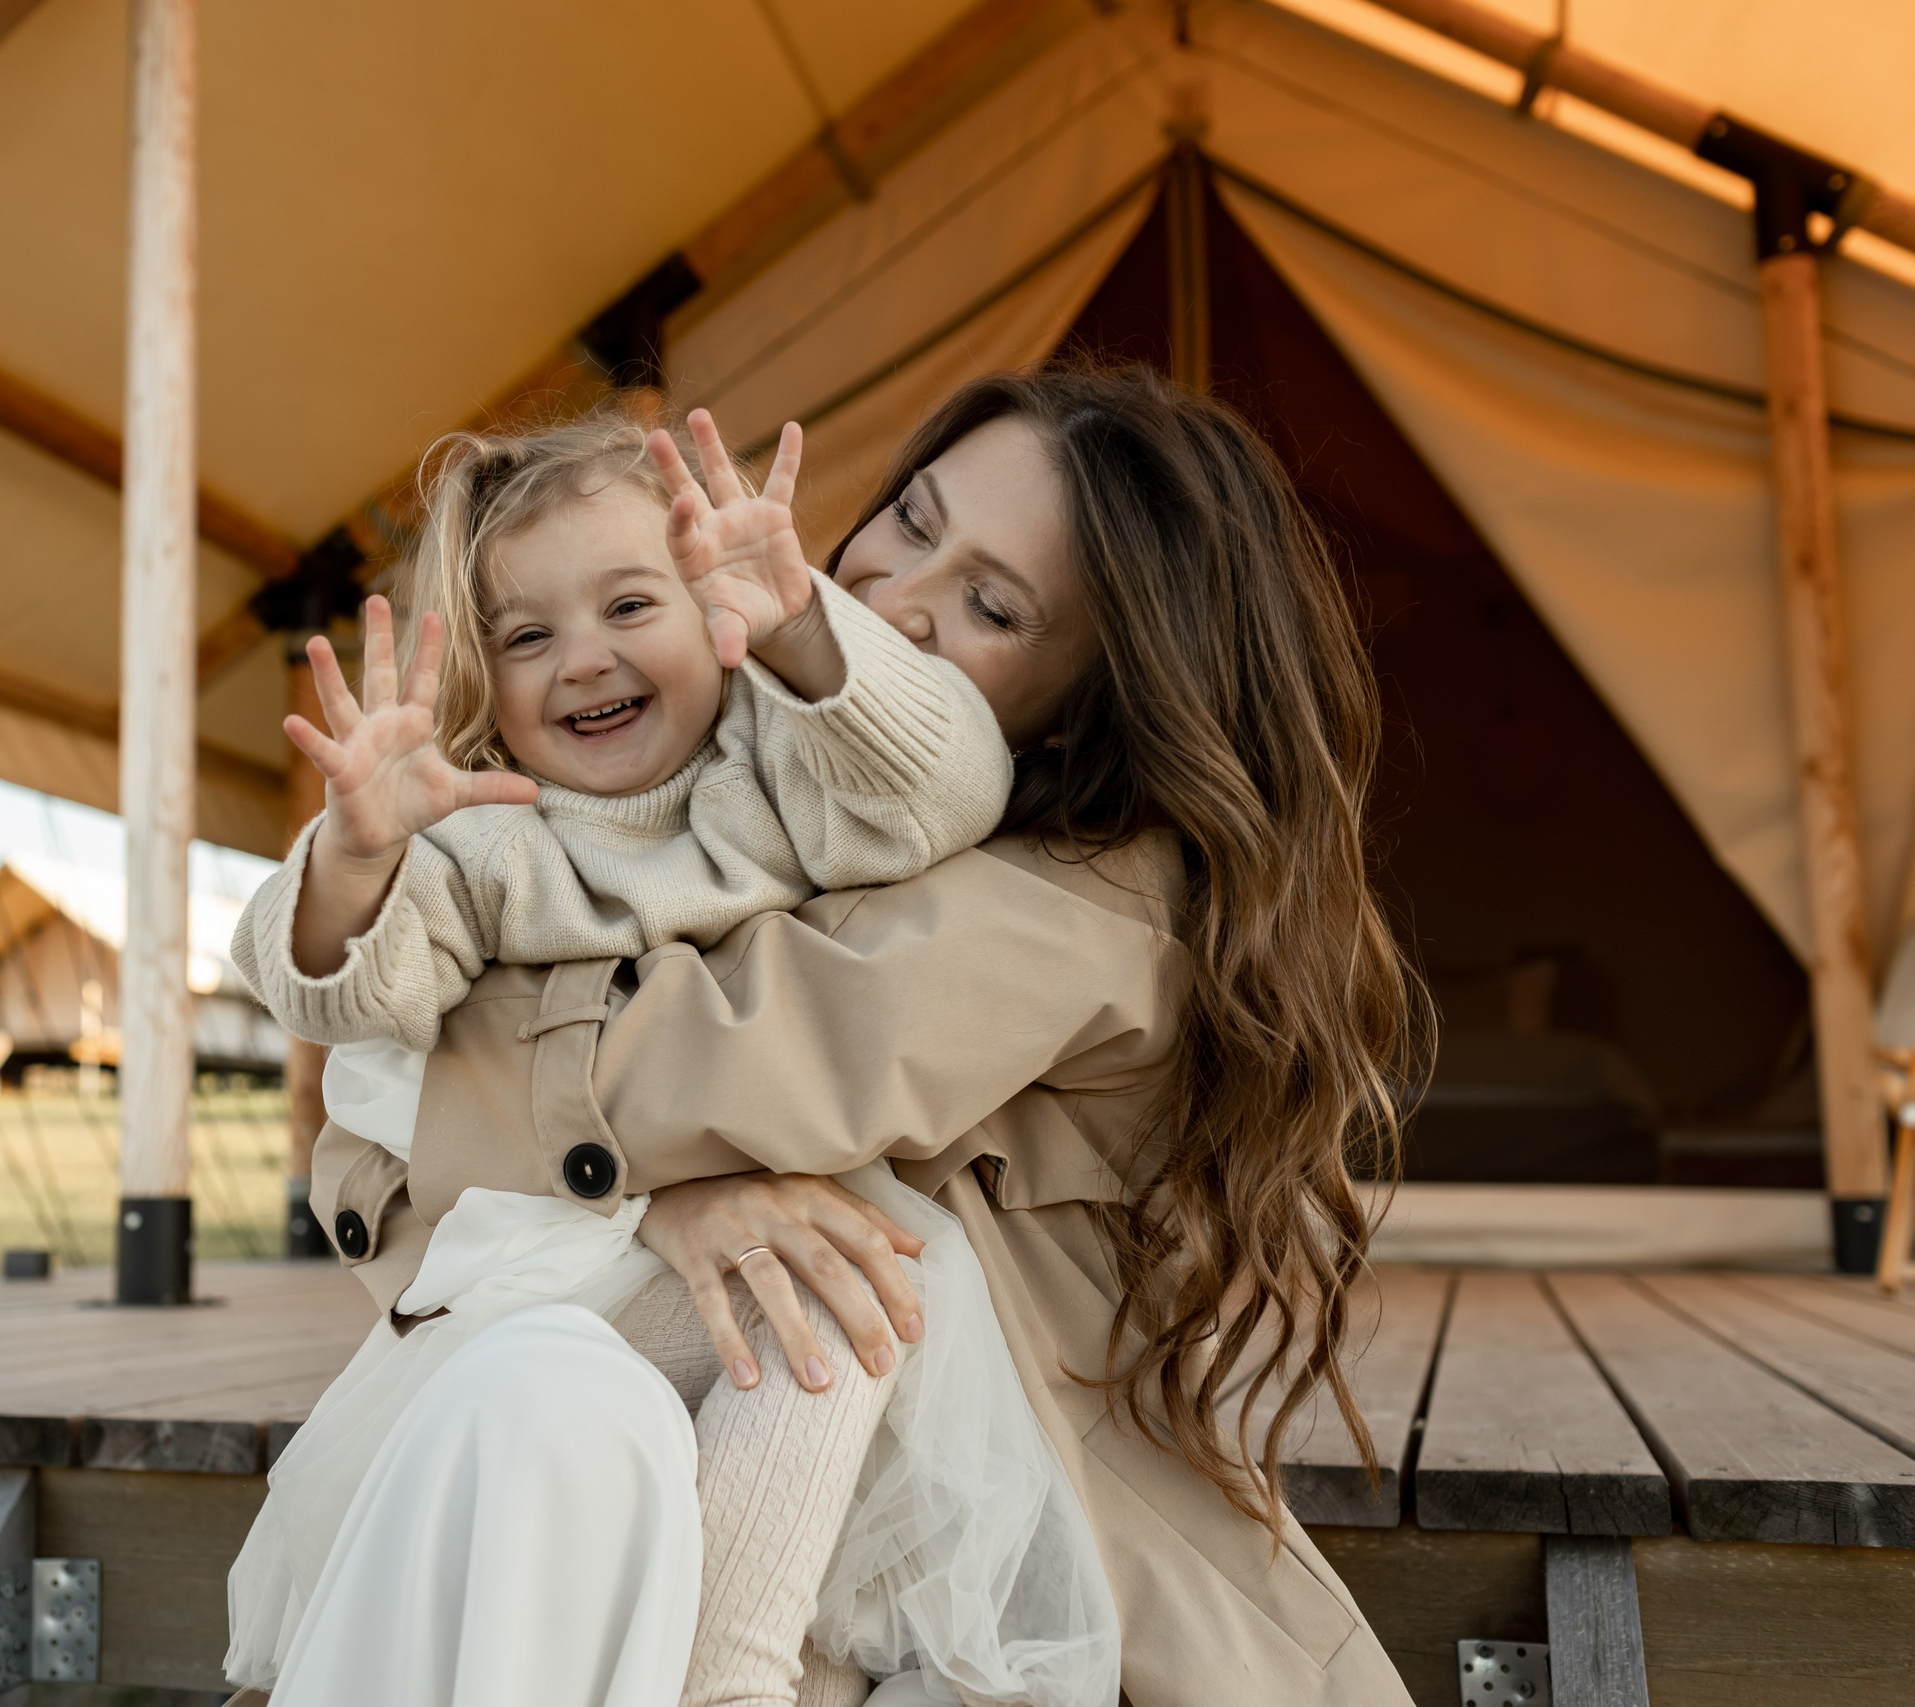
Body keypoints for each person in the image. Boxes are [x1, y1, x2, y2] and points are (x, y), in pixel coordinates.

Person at [300, 363, 1429, 1707]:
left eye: (991, 605)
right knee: (533, 1417)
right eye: (909, 519)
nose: (895, 597)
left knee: (596, 1400)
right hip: (761, 1478)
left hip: (997, 1580)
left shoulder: (1091, 901)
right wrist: (657, 1207)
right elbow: (368, 1160)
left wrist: (599, 1162)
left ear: (1091, 696)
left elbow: (663, 1077)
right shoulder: (736, 778)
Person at [227, 409, 1112, 1705]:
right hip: (550, 1271)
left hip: (747, 1280)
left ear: (716, 613)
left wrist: (807, 629)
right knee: (823, 1281)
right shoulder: (494, 835)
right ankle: (739, 1675)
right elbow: (347, 993)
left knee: (857, 1272)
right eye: (527, 636)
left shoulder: (780, 774)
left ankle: (732, 1667)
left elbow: (944, 792)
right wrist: (359, 860)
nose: (581, 661)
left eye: (630, 605)